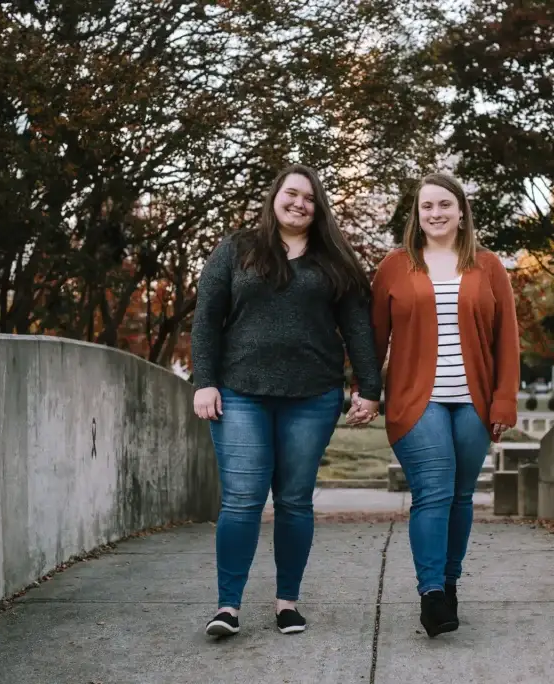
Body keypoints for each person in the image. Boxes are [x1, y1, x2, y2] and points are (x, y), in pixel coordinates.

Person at [191, 163, 382, 638]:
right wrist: (204, 381)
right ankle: (228, 608)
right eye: (292, 193)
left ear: (319, 209)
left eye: (310, 198)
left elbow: (358, 326)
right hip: (239, 393)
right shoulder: (237, 249)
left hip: (312, 397)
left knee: (294, 501)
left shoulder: (333, 261)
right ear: (275, 196)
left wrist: (370, 388)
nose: (299, 203)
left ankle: (286, 604)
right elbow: (206, 317)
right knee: (241, 501)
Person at [363, 171, 520, 637]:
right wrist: (366, 390)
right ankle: (431, 593)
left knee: (461, 497)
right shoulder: (395, 265)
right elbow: (373, 337)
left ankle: (449, 585)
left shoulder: (488, 265)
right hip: (417, 401)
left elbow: (506, 339)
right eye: (427, 206)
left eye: (445, 205)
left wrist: (503, 401)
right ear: (417, 214)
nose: (436, 213)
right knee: (433, 492)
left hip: (473, 401)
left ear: (461, 212)